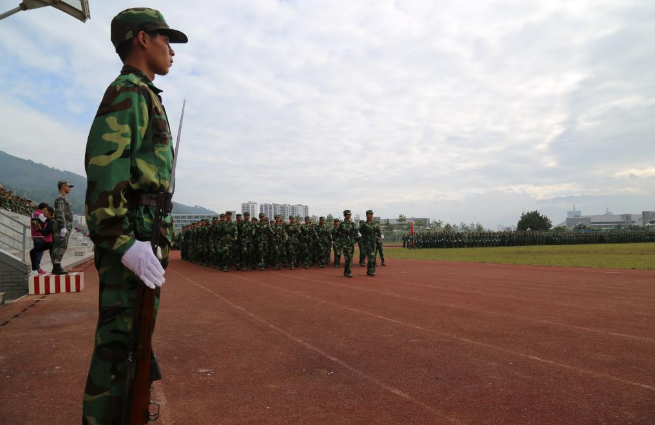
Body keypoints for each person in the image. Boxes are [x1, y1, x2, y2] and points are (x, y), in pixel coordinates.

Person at [82, 8, 187, 425]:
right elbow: (106, 168)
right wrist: (122, 241)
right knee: (119, 345)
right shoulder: (129, 92)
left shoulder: (144, 94)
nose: (171, 50)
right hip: (133, 234)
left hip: (146, 232)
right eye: (165, 39)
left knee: (133, 342)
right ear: (142, 39)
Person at [52, 180, 74, 275]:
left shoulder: (65, 198)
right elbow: (60, 213)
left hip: (67, 225)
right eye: (68, 186)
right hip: (62, 226)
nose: (70, 188)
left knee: (63, 246)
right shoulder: (60, 198)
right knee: (60, 246)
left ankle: (57, 265)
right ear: (63, 186)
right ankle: (56, 266)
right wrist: (63, 227)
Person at [29, 206, 55, 275]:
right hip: (47, 242)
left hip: (51, 242)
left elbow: (46, 233)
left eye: (45, 211)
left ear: (49, 212)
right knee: (33, 252)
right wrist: (38, 226)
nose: (43, 212)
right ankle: (35, 270)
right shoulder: (47, 220)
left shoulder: (51, 221)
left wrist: (40, 229)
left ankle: (35, 270)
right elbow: (43, 229)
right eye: (43, 210)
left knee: (53, 257)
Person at [336, 210, 358, 278]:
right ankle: (348, 272)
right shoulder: (342, 224)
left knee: (350, 258)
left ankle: (346, 272)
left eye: (350, 215)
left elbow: (356, 233)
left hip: (351, 242)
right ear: (345, 215)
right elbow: (338, 233)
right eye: (347, 214)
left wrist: (355, 239)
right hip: (344, 243)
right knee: (348, 257)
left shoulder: (353, 224)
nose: (349, 216)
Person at [359, 210, 377, 276]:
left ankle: (369, 270)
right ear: (366, 215)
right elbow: (360, 231)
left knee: (372, 257)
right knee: (371, 255)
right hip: (367, 242)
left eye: (371, 214)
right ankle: (372, 271)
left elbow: (378, 231)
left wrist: (379, 235)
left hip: (373, 241)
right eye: (369, 214)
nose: (371, 215)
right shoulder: (364, 224)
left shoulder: (375, 224)